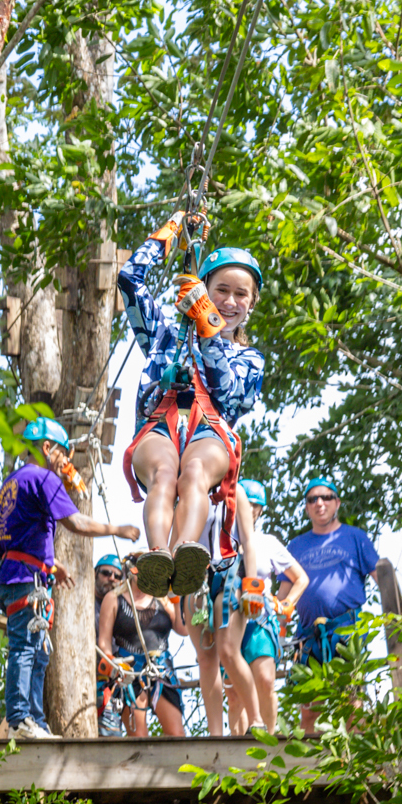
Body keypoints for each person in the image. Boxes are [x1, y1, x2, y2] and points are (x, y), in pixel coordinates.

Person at [117, 211, 266, 600]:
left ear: (251, 303)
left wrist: (208, 322)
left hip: (209, 431)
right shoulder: (166, 339)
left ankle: (186, 553)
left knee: (194, 471)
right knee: (165, 472)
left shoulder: (250, 359)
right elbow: (129, 279)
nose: (230, 301)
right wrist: (171, 233)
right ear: (205, 286)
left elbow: (228, 391)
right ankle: (158, 555)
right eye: (221, 290)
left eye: (240, 294)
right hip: (160, 423)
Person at [0, 418, 140, 741]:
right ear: (46, 448)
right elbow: (75, 522)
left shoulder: (13, 482)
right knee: (26, 647)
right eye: (62, 455)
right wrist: (117, 530)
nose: (65, 463)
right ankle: (19, 719)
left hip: (15, 574)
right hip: (25, 580)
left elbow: (18, 535)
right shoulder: (44, 477)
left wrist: (52, 564)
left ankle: (33, 720)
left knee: (38, 649)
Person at [286, 475, 380, 735]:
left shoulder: (355, 538)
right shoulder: (296, 545)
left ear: (337, 502)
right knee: (308, 708)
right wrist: (277, 627)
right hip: (308, 636)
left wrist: (394, 620)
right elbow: (285, 591)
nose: (320, 503)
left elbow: (381, 577)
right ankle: (308, 770)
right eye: (312, 499)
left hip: (346, 630)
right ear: (306, 507)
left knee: (352, 703)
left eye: (326, 497)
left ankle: (360, 765)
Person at [228, 479, 306, 736]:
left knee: (265, 681)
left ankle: (268, 741)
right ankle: (236, 750)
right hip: (229, 619)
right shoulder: (223, 542)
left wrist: (285, 605)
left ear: (260, 510)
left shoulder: (267, 542)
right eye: (246, 503)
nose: (249, 509)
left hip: (259, 620)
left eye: (254, 505)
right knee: (235, 694)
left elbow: (300, 578)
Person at [194, 484, 260, 737]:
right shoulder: (187, 487)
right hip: (197, 576)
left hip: (229, 571)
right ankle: (214, 734)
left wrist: (252, 585)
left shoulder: (236, 492)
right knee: (206, 656)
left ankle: (256, 720)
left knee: (228, 650)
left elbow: (248, 540)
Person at [98, 558, 190, 736]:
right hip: (129, 669)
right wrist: (113, 664)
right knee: (138, 735)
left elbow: (183, 629)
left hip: (161, 669)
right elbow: (104, 642)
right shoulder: (114, 598)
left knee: (177, 734)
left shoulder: (163, 599)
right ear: (133, 570)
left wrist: (177, 599)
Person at [93, 554, 130, 738]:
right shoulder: (84, 603)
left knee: (113, 735)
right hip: (89, 679)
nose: (112, 579)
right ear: (94, 574)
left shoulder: (121, 607)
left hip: (112, 682)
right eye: (106, 573)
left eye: (117, 576)